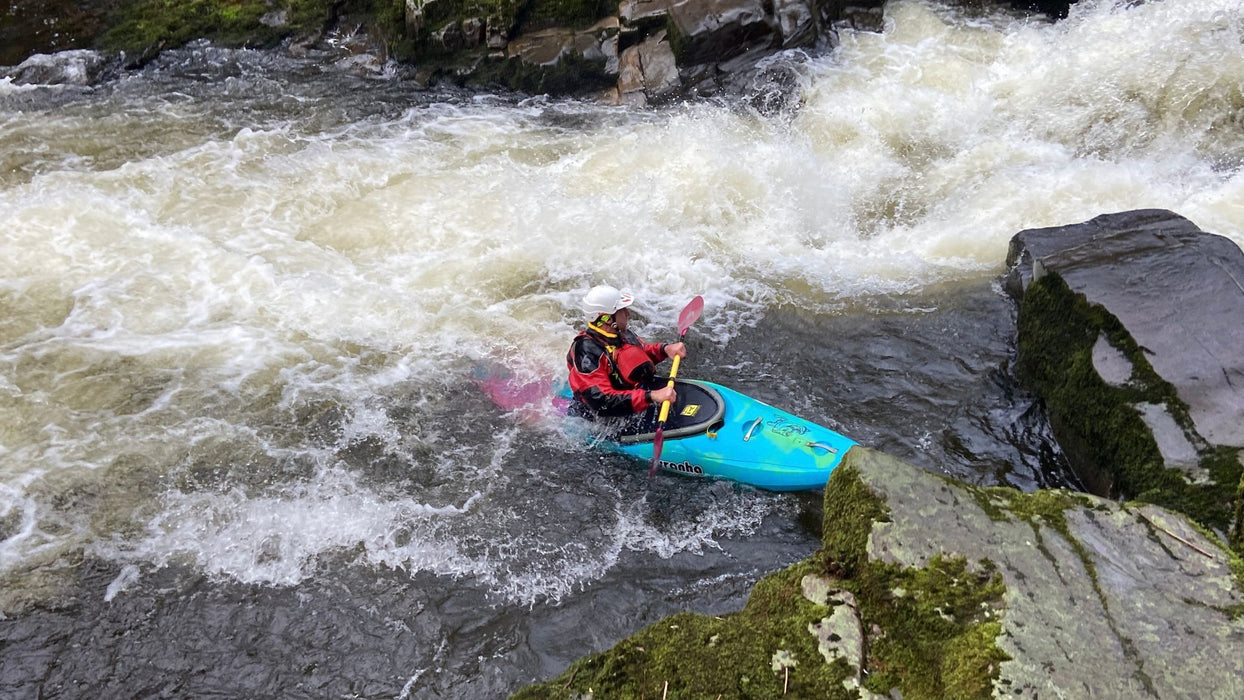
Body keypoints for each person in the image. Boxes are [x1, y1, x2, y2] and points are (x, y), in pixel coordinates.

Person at [566, 284, 687, 422]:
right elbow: (601, 402)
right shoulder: (586, 351)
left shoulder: (620, 333)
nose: (628, 314)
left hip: (633, 396)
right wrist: (650, 396)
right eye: (622, 310)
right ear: (608, 319)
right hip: (598, 419)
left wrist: (664, 349)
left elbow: (639, 353)